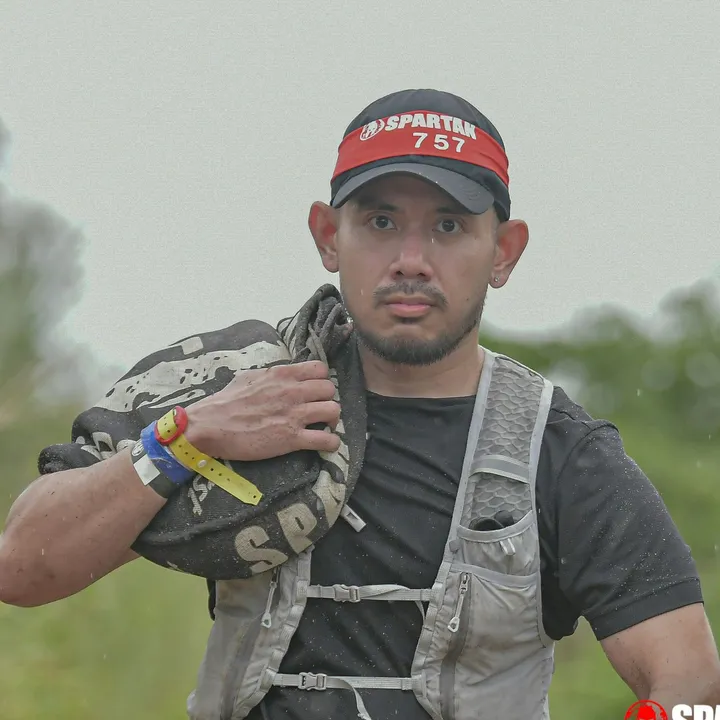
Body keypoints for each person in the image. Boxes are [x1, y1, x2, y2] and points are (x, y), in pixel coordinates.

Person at [0, 88, 718, 720]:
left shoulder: (558, 453)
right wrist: (188, 437)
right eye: (379, 222)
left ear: (504, 250)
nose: (411, 260)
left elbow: (694, 685)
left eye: (448, 226)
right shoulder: (234, 392)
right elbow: (23, 567)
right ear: (327, 237)